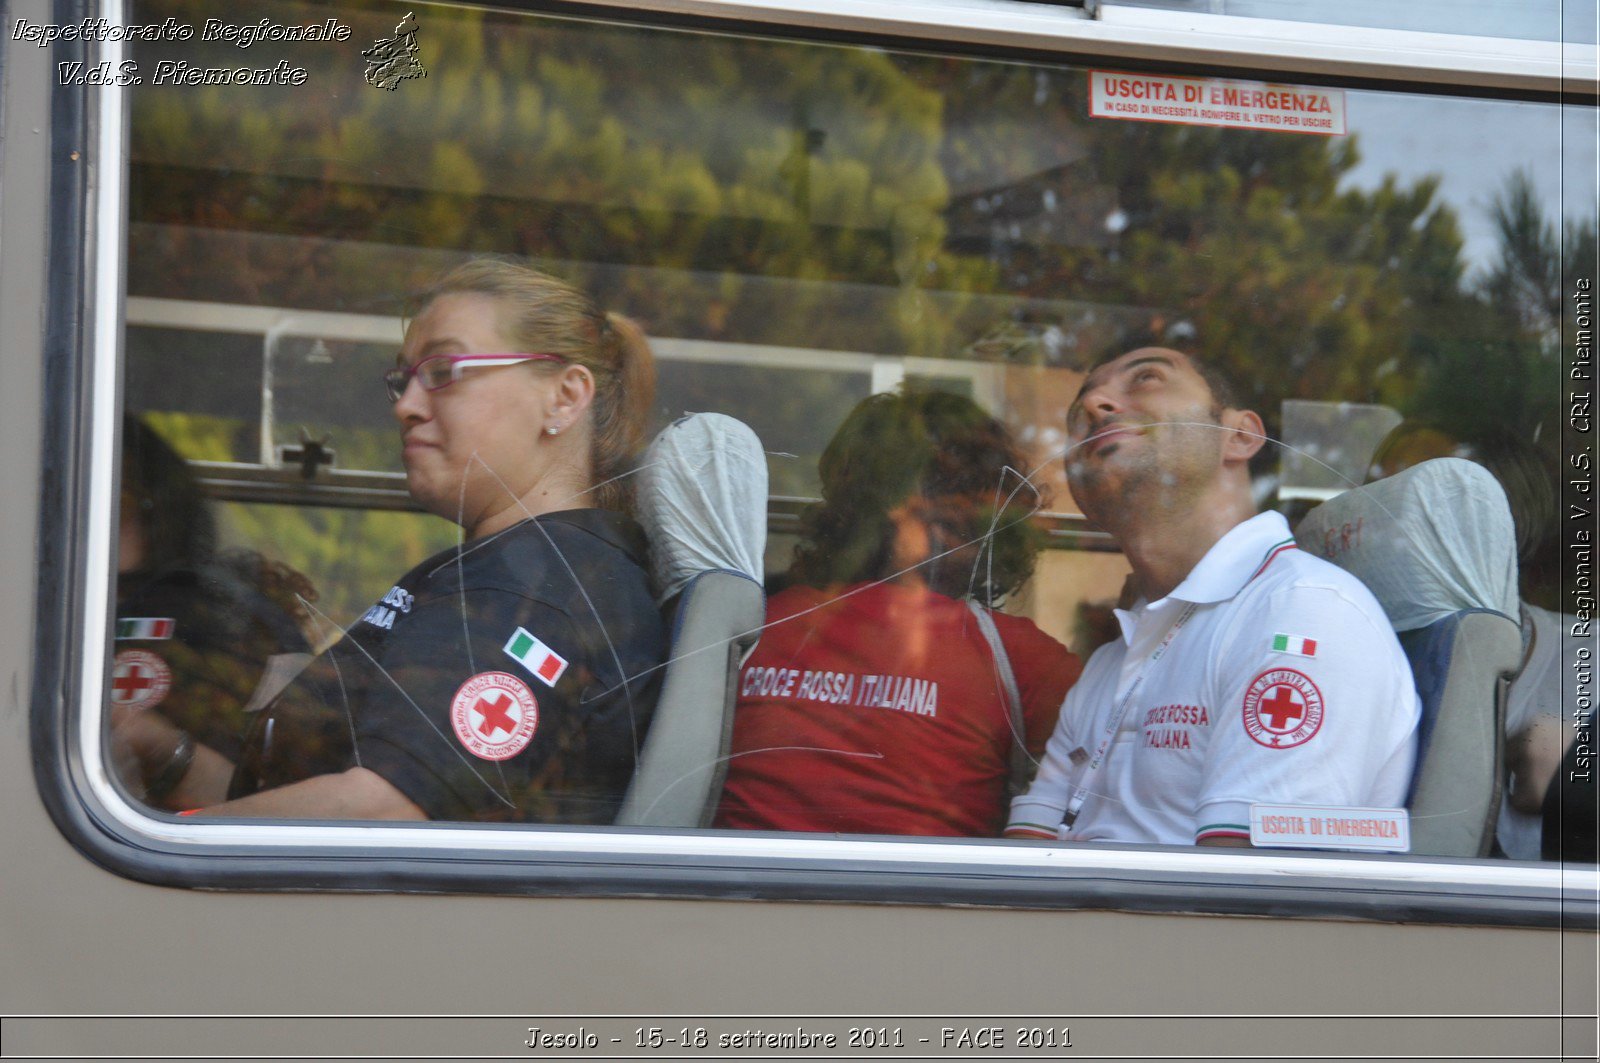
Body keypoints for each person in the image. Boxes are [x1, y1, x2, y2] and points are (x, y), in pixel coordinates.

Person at [118, 259, 666, 824]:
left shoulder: (533, 587)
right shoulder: (517, 569)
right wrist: (162, 753)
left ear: (565, 397)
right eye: (402, 380)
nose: (405, 405)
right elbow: (300, 810)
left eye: (446, 370)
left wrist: (159, 844)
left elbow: (381, 812)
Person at [1006, 346, 1419, 846]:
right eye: (1079, 410)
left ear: (1240, 436)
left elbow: (1247, 901)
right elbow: (1029, 853)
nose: (1095, 404)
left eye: (1147, 379)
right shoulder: (1114, 657)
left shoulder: (1303, 613)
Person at [714, 389, 1082, 837]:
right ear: (897, 497)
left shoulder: (752, 622)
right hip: (916, 900)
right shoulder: (757, 623)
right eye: (959, 487)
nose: (976, 512)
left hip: (740, 895)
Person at [1368, 420, 1573, 860]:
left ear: (1502, 526)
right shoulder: (1353, 645)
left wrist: (1578, 765)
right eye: (1380, 499)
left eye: (1420, 507)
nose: (1384, 532)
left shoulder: (1587, 654)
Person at [111, 416, 316, 810]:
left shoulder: (230, 623)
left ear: (160, 512)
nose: (91, 519)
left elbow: (280, 799)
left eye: (120, 500)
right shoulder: (49, 613)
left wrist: (156, 743)